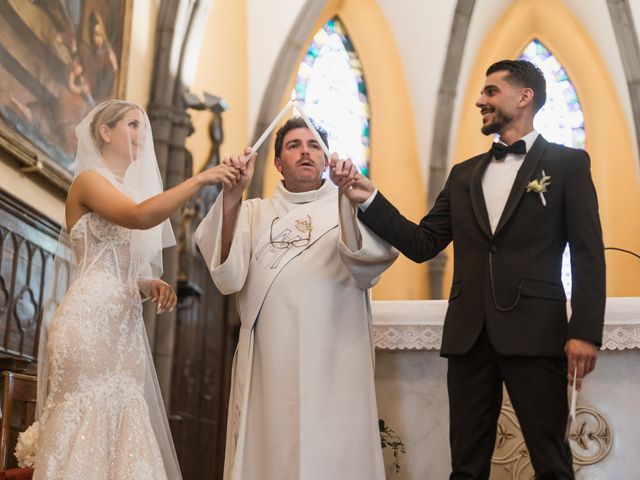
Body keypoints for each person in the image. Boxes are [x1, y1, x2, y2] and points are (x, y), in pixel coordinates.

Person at [333, 60, 606, 479]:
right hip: (468, 335)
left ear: (524, 96)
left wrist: (584, 331)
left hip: (536, 331)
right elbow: (424, 244)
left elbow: (587, 251)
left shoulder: (568, 165)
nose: (481, 100)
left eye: (491, 91)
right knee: (465, 464)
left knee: (551, 461)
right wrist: (369, 198)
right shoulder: (464, 175)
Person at [31, 100, 240, 479]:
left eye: (143, 127)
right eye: (131, 125)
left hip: (123, 330)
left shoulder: (126, 190)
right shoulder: (89, 182)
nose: (141, 134)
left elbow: (124, 265)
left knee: (125, 422)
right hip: (88, 325)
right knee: (87, 416)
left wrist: (148, 283)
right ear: (104, 132)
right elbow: (139, 216)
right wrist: (198, 180)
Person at [194, 117, 398, 480]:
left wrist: (349, 204)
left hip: (338, 355)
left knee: (336, 450)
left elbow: (371, 268)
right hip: (272, 356)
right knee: (272, 448)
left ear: (326, 159)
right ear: (277, 163)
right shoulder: (254, 212)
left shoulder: (347, 202)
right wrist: (232, 196)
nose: (305, 151)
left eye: (314, 145)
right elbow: (227, 275)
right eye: (294, 145)